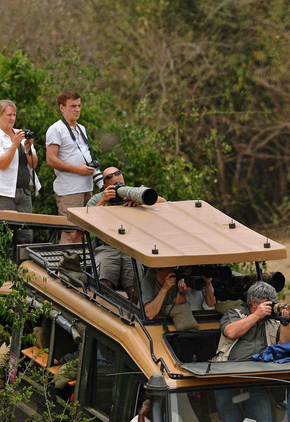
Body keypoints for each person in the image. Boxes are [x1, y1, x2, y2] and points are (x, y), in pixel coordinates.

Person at [87, 166, 170, 301]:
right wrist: (104, 200)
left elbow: (163, 202)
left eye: (121, 184)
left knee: (135, 291)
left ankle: (134, 316)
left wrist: (139, 200)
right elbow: (85, 221)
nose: (119, 188)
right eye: (115, 186)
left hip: (130, 248)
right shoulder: (97, 199)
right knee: (104, 284)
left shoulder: (131, 193)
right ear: (104, 186)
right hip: (107, 247)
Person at [45, 91, 96, 243]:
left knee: (83, 232)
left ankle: (78, 265)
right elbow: (51, 159)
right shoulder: (56, 129)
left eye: (79, 106)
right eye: (73, 106)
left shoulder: (81, 128)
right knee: (69, 232)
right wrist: (77, 169)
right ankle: (63, 266)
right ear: (62, 107)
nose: (77, 109)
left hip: (86, 187)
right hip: (69, 190)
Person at [0, 100, 40, 215]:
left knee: (26, 232)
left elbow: (34, 165)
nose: (12, 119)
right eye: (8, 115)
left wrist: (28, 149)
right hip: (1, 193)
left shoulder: (21, 134)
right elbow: (2, 164)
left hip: (24, 192)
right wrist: (15, 145)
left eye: (14, 115)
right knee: (2, 230)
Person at [215, 280, 290, 361]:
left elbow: (289, 347)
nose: (271, 306)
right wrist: (256, 315)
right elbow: (231, 332)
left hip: (266, 366)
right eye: (267, 303)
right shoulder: (235, 314)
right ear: (254, 303)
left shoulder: (274, 321)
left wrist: (285, 324)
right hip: (233, 366)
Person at [140, 267, 214, 329]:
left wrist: (182, 292)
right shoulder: (148, 281)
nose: (172, 271)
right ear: (158, 269)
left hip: (175, 322)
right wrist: (164, 289)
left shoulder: (177, 279)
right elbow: (150, 314)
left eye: (173, 267)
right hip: (155, 324)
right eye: (169, 268)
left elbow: (177, 305)